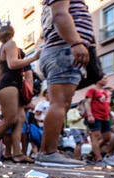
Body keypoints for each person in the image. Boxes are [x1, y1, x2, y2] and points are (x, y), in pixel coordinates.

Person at [37, 0, 93, 167]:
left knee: (63, 103)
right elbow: (60, 14)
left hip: (59, 50)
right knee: (60, 103)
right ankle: (48, 152)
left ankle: (49, 150)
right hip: (63, 49)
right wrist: (76, 42)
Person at [0, 23, 40, 163]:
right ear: (11, 33)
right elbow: (13, 64)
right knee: (11, 121)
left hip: (8, 87)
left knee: (19, 120)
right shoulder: (11, 44)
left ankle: (18, 153)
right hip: (10, 87)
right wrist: (34, 58)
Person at [84, 76, 112, 165]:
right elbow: (87, 102)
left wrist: (111, 116)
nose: (106, 80)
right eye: (103, 78)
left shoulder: (105, 92)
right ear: (98, 79)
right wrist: (89, 115)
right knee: (96, 136)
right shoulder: (92, 90)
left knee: (107, 137)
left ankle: (92, 153)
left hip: (105, 117)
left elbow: (107, 106)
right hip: (95, 116)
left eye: (106, 78)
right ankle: (99, 158)